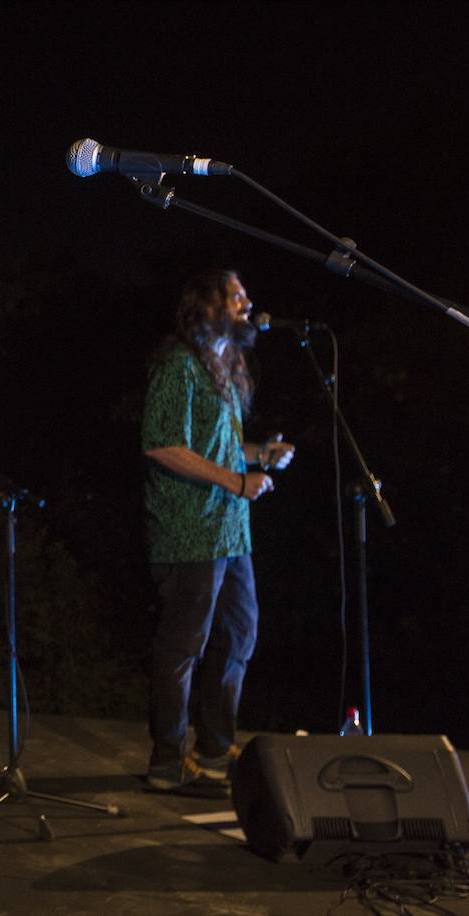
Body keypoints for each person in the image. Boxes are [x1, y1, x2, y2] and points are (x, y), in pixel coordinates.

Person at [140, 269, 295, 795]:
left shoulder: (223, 368)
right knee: (184, 645)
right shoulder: (177, 366)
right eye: (235, 295)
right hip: (190, 530)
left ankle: (213, 750)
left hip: (230, 531)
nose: (247, 302)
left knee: (240, 633)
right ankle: (167, 759)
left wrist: (258, 456)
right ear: (206, 305)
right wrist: (236, 478)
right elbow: (162, 445)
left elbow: (216, 449)